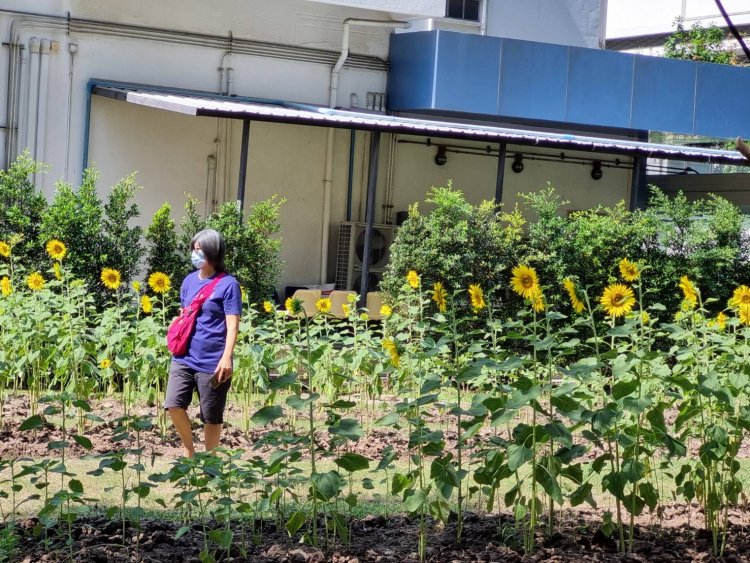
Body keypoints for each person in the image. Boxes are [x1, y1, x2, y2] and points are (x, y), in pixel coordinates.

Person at [164, 229, 241, 457]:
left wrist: (227, 357)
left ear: (212, 252)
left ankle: (211, 462)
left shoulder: (228, 285)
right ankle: (189, 452)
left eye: (199, 250)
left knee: (211, 416)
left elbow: (233, 324)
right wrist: (176, 322)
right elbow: (185, 311)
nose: (195, 254)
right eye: (193, 249)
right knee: (173, 404)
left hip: (213, 361)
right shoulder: (188, 280)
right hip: (184, 356)